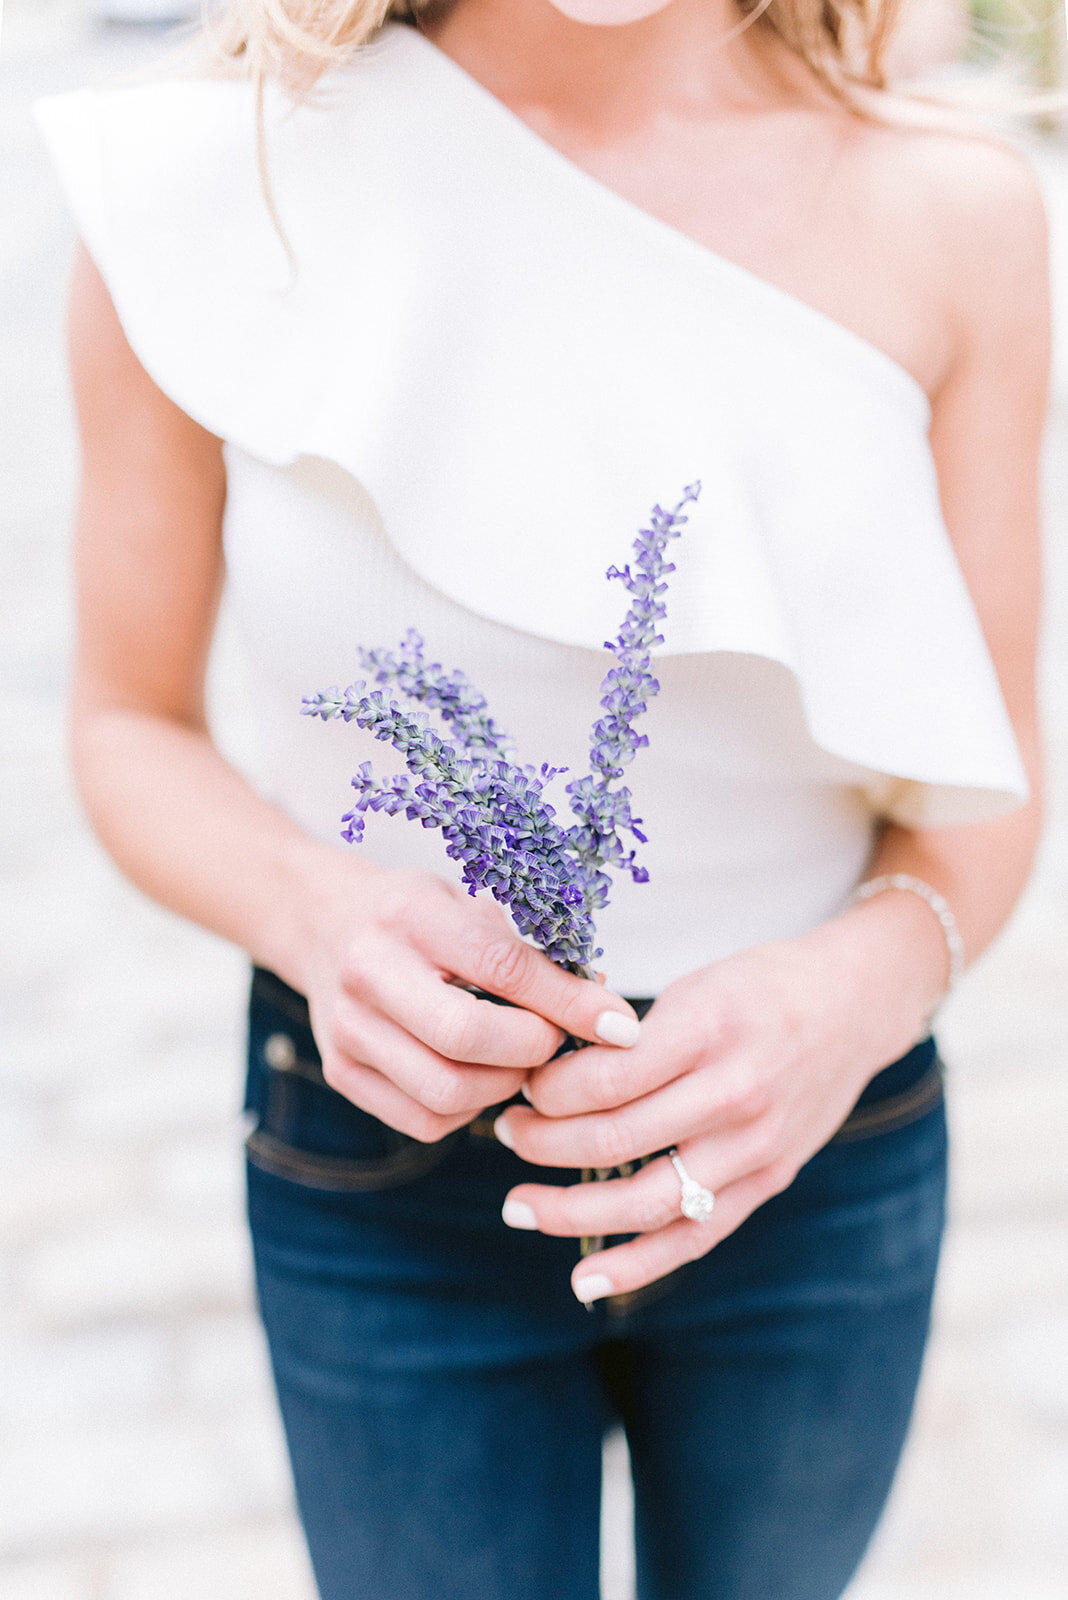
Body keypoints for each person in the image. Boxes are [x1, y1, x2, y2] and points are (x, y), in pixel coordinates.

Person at [35, 1, 1048, 1597]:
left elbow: (985, 795)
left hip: (814, 1147)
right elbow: (123, 724)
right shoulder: (212, 179)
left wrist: (853, 993)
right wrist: (322, 915)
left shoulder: (957, 213)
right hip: (382, 1164)